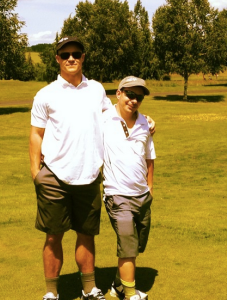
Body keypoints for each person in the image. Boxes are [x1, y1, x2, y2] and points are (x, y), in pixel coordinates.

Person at [29, 36, 155, 300]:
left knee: (86, 235)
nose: (71, 58)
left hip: (88, 177)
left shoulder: (96, 89)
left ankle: (89, 288)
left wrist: (145, 120)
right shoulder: (45, 94)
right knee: (54, 236)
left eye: (76, 53)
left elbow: (117, 115)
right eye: (65, 55)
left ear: (83, 57)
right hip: (54, 175)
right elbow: (36, 134)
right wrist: (35, 173)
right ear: (58, 59)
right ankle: (51, 292)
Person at [103, 76, 156, 300]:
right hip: (117, 195)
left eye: (139, 97)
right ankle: (131, 295)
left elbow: (149, 158)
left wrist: (150, 188)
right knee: (127, 246)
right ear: (119, 93)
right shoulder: (102, 120)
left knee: (135, 246)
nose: (134, 100)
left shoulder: (146, 123)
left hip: (142, 196)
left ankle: (116, 288)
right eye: (130, 95)